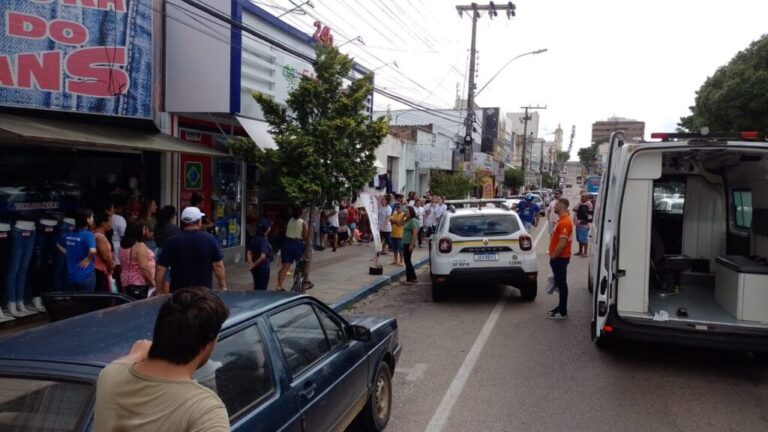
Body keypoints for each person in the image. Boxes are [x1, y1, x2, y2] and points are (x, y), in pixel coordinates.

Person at [94, 287, 230, 432]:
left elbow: (128, 358)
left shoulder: (110, 376)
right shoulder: (206, 411)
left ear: (160, 329)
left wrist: (138, 354)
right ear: (207, 345)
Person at [155, 207, 226, 294]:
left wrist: (159, 292)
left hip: (179, 294)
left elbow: (160, 269)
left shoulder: (172, 241)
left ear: (183, 222)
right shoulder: (209, 239)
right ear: (199, 222)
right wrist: (222, 286)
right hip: (203, 294)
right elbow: (218, 266)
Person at [547, 198, 574, 320]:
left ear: (562, 206)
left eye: (556, 204)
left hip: (560, 258)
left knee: (562, 284)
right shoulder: (561, 220)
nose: (554, 206)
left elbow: (562, 243)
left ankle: (563, 312)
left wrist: (553, 256)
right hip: (559, 258)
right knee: (560, 284)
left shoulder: (565, 223)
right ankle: (560, 307)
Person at [59, 208, 97, 292]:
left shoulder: (69, 234)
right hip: (86, 275)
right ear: (87, 219)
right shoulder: (88, 235)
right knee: (86, 303)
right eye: (92, 217)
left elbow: (58, 245)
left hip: (71, 276)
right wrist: (88, 259)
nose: (93, 219)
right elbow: (93, 251)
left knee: (73, 303)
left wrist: (68, 252)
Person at [119, 219, 156, 298]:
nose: (145, 230)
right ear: (139, 231)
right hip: (139, 282)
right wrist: (152, 282)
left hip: (125, 281)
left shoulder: (123, 246)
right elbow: (144, 267)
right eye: (144, 228)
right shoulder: (139, 246)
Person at [277, 207, 308, 292]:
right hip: (297, 245)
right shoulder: (303, 223)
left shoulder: (289, 221)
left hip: (287, 243)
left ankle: (279, 286)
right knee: (302, 263)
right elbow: (305, 237)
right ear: (301, 214)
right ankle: (304, 281)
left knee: (285, 267)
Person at [247, 219, 273, 291]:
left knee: (257, 287)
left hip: (255, 268)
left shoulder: (255, 238)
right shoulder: (263, 239)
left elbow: (249, 251)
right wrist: (253, 264)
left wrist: (251, 262)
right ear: (267, 229)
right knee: (262, 289)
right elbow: (263, 256)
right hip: (263, 268)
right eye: (269, 226)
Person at [92, 211, 115, 292]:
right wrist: (111, 265)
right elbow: (105, 257)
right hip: (99, 271)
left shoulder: (96, 234)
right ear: (103, 223)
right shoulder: (100, 237)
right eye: (110, 221)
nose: (111, 224)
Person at [111, 195, 128, 290]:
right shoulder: (119, 219)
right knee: (119, 271)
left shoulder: (110, 218)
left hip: (110, 246)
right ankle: (122, 290)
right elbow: (124, 234)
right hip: (118, 247)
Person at [402, 206, 421, 283]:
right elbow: (400, 223)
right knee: (407, 260)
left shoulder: (414, 221)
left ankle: (411, 278)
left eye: (407, 212)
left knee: (407, 260)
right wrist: (403, 216)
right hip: (405, 242)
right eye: (405, 211)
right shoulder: (407, 220)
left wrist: (412, 244)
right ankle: (411, 277)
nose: (406, 213)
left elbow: (415, 234)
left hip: (409, 243)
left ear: (411, 212)